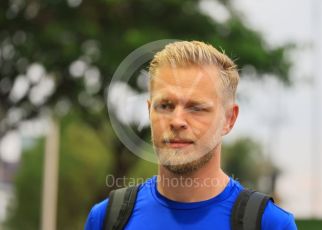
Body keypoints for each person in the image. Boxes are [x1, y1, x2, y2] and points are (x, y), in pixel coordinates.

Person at [85, 41, 297, 229]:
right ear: (150, 111)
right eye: (165, 105)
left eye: (196, 108)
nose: (177, 121)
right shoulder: (107, 219)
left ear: (229, 119)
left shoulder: (269, 224)